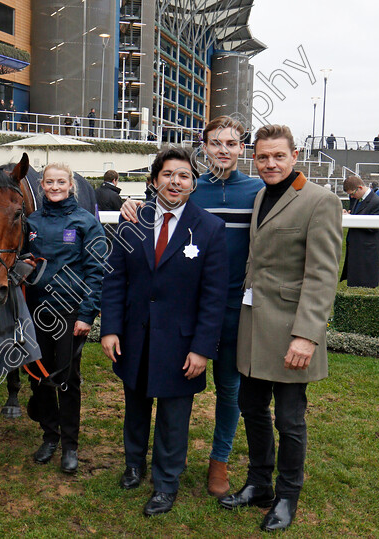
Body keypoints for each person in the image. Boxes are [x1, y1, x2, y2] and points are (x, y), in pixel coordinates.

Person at [123, 116, 262, 497]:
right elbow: (159, 207)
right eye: (216, 143)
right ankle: (161, 461)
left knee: (229, 388)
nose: (223, 150)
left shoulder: (257, 191)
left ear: (241, 149)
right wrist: (132, 204)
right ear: (203, 147)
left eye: (231, 143)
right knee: (170, 385)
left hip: (235, 305)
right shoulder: (189, 188)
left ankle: (219, 461)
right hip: (187, 308)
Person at [219, 125, 342, 532]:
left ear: (295, 156)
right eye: (262, 157)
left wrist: (307, 335)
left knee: (289, 420)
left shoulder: (320, 201)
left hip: (292, 332)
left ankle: (288, 494)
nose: (270, 163)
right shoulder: (259, 195)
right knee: (252, 409)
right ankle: (259, 483)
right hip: (254, 328)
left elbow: (323, 274)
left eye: (278, 156)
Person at [102, 147, 227, 517]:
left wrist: (202, 348)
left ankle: (166, 482)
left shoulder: (209, 228)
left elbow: (214, 296)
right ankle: (134, 463)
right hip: (135, 336)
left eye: (184, 175)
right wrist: (110, 329)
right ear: (155, 180)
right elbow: (115, 280)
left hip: (181, 342)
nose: (176, 181)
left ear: (193, 183)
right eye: (168, 174)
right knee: (135, 405)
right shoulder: (131, 223)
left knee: (174, 417)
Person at [25, 163, 105, 474]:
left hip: (70, 313)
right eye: (49, 182)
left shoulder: (85, 222)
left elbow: (96, 271)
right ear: (41, 186)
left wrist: (87, 314)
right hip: (36, 311)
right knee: (38, 373)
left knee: (68, 379)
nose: (55, 187)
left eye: (61, 181)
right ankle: (50, 434)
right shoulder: (30, 222)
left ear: (70, 185)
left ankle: (70, 445)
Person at [341, 175, 379, 287]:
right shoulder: (359, 199)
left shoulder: (377, 202)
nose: (352, 196)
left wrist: (352, 218)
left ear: (360, 188)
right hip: (356, 251)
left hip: (367, 255)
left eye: (352, 193)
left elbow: (373, 227)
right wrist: (349, 215)